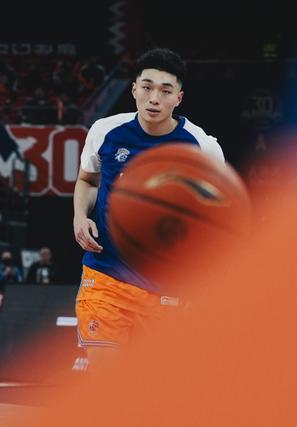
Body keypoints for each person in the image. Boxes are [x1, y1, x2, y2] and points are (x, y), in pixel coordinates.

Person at [73, 47, 225, 368]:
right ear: (134, 90)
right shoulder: (105, 131)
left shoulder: (202, 146)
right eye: (147, 87)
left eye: (165, 91)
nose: (154, 98)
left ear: (178, 98)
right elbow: (87, 180)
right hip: (106, 276)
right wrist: (79, 216)